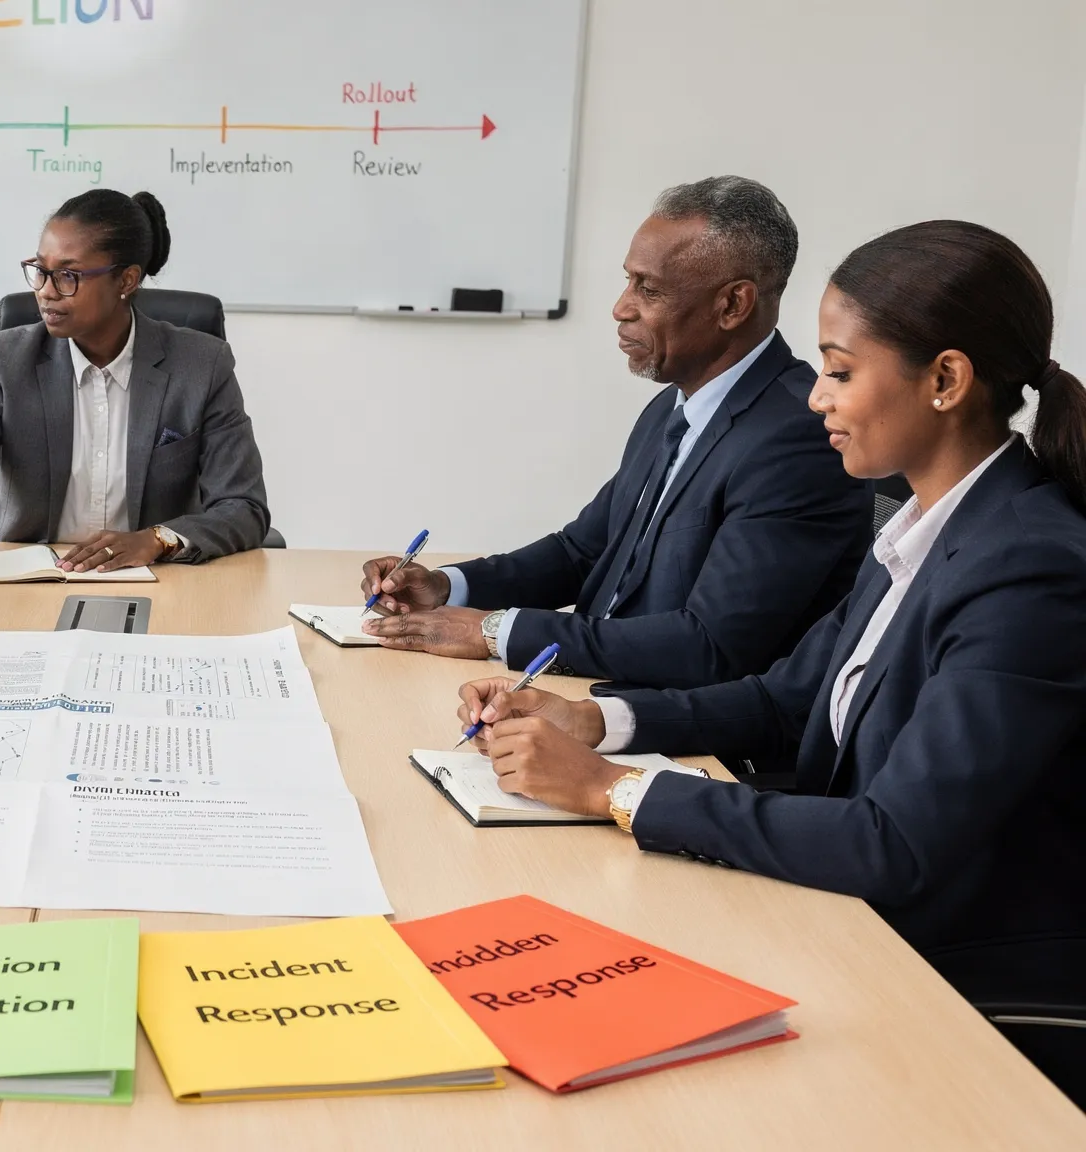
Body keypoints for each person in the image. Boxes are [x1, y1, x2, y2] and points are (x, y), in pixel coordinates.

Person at [457, 221, 1086, 1102]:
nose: (815, 399)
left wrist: (612, 789)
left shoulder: (1029, 565)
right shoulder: (920, 528)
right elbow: (788, 699)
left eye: (838, 371)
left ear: (945, 380)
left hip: (952, 969)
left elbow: (894, 841)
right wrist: (596, 720)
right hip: (847, 917)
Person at [361, 177, 870, 689]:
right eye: (628, 282)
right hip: (596, 688)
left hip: (688, 736)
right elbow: (583, 551)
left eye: (648, 289)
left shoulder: (799, 438)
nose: (621, 307)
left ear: (733, 305)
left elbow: (710, 647)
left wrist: (496, 631)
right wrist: (448, 586)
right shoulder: (673, 407)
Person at [0, 188, 269, 576]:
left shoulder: (201, 366)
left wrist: (156, 539)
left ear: (127, 280)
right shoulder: (4, 362)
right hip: (22, 580)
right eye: (41, 271)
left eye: (67, 275)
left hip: (155, 579)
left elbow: (243, 506)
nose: (46, 292)